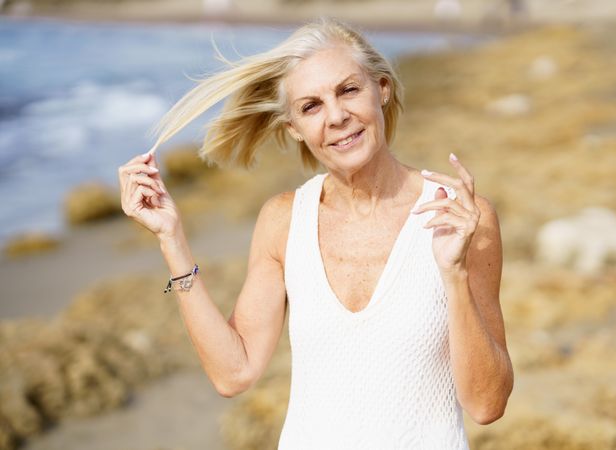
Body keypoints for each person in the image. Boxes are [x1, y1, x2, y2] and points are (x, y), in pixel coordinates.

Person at [118, 18, 513, 449]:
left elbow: (486, 404)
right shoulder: (283, 221)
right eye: (311, 106)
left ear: (381, 88)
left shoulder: (460, 216)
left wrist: (453, 274)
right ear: (294, 128)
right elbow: (234, 373)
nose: (337, 116)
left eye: (348, 90)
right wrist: (171, 239)